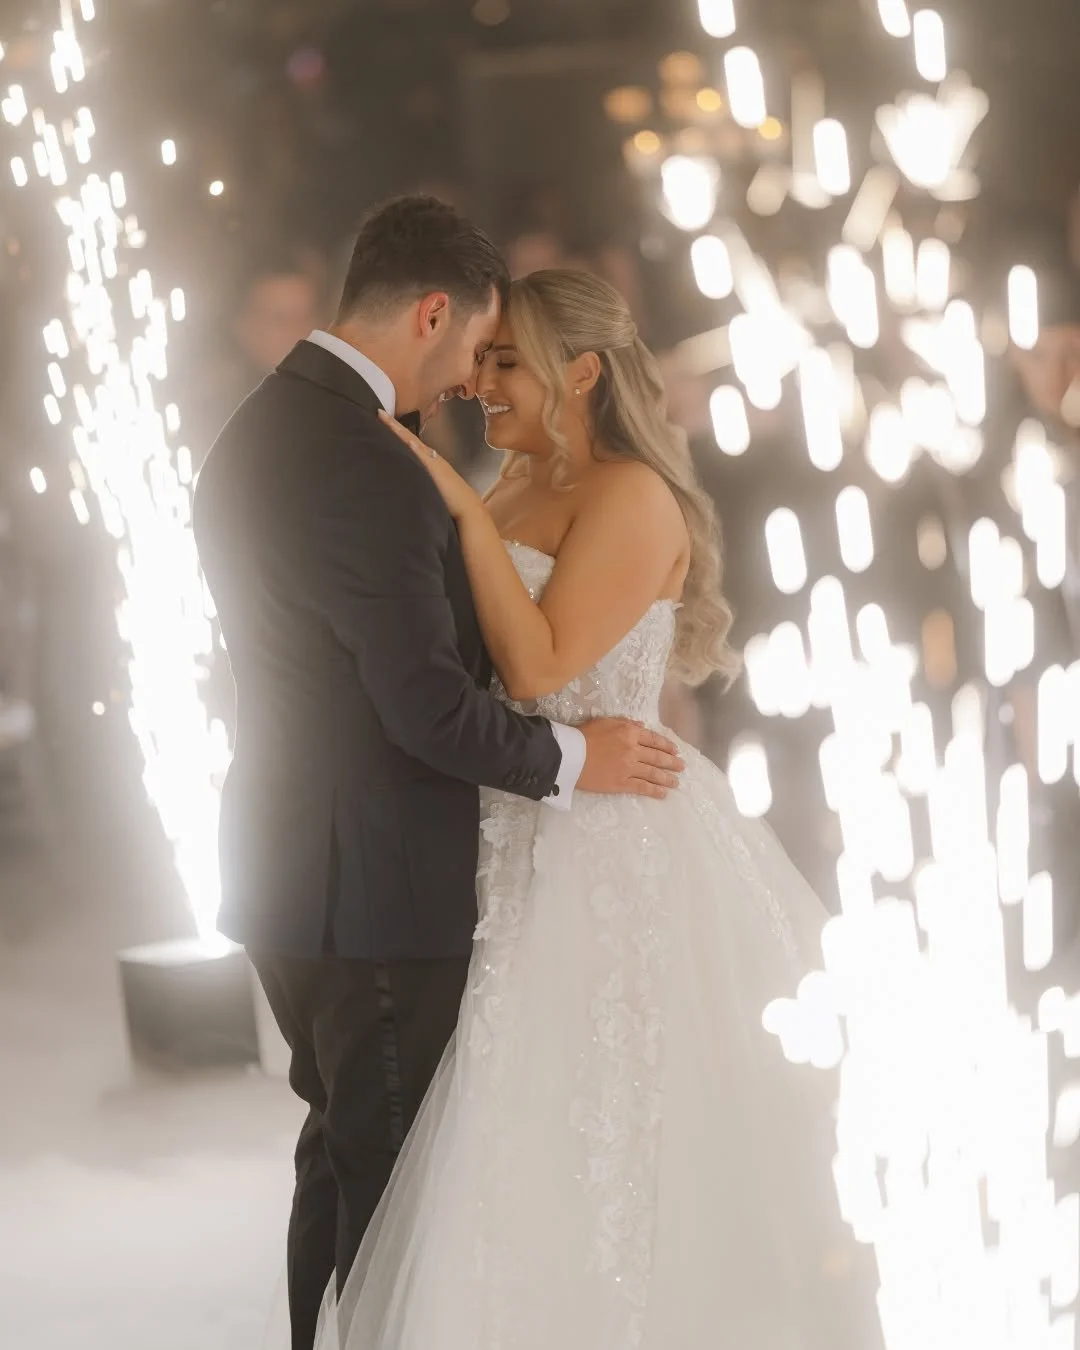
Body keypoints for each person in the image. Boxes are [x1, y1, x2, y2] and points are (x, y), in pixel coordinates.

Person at [310, 270, 874, 1349]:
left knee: (611, 1125)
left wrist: (455, 502)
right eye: (480, 359)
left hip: (612, 845)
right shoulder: (512, 480)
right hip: (505, 824)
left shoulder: (628, 494)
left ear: (581, 371)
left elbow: (536, 666)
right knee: (504, 1130)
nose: (478, 381)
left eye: (505, 360)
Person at [192, 198, 685, 1350]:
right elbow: (423, 708)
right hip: (369, 885)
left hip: (296, 867)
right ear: (430, 312)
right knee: (398, 1191)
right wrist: (576, 756)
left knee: (345, 1156)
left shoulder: (263, 427)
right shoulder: (363, 460)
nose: (471, 380)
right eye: (477, 348)